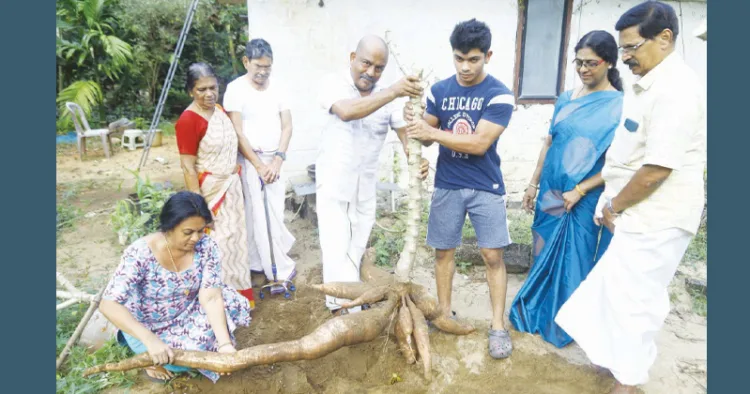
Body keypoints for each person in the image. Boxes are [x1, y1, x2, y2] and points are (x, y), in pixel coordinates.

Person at [554, 2, 706, 393]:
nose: (625, 57)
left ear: (665, 39)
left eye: (632, 48)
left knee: (636, 303)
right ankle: (618, 365)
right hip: (637, 214)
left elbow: (657, 169)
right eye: (622, 49)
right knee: (613, 293)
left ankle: (629, 382)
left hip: (659, 217)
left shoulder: (676, 89)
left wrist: (612, 205)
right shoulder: (648, 83)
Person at [404, 19, 515, 359]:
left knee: (492, 255)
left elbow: (479, 143)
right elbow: (419, 130)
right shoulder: (439, 91)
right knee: (443, 252)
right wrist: (416, 154)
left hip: (485, 185)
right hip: (448, 184)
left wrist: (431, 135)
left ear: (488, 56)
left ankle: (498, 325)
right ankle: (445, 314)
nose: (465, 67)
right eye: (459, 58)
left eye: (474, 59)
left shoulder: (499, 94)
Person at [509, 31, 624, 348]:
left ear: (609, 62)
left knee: (574, 258)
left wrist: (581, 189)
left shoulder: (619, 107)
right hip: (551, 191)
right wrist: (533, 182)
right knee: (542, 249)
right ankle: (533, 311)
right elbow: (550, 142)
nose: (584, 69)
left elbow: (618, 162)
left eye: (591, 63)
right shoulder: (564, 99)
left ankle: (563, 323)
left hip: (583, 199)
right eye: (579, 63)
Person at [316, 34, 428, 315]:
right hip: (334, 183)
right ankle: (339, 305)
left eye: (379, 68)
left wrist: (416, 159)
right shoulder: (333, 84)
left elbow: (406, 137)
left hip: (365, 185)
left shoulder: (386, 98)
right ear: (353, 58)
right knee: (335, 243)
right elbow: (346, 112)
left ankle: (352, 299)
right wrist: (392, 91)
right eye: (366, 63)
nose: (371, 72)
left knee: (357, 243)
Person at [99, 191, 252, 383]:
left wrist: (224, 344)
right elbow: (108, 304)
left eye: (201, 230)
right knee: (175, 358)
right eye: (188, 232)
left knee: (228, 299)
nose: (196, 238)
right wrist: (150, 340)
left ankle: (191, 353)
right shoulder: (140, 253)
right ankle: (148, 356)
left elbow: (211, 297)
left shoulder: (207, 246)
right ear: (169, 227)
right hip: (148, 325)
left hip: (187, 312)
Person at [174, 63, 255, 305]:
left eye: (213, 88)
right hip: (211, 192)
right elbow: (188, 167)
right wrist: (198, 208)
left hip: (231, 189)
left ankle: (239, 298)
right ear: (191, 91)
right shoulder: (188, 121)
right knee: (215, 245)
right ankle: (214, 301)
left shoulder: (219, 110)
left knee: (235, 243)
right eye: (201, 89)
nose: (209, 94)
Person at [224, 38, 297, 294]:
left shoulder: (280, 88)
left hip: (275, 160)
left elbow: (287, 126)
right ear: (246, 62)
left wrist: (277, 160)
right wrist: (258, 165)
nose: (263, 72)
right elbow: (238, 132)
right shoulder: (235, 89)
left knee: (274, 214)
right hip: (251, 161)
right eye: (258, 66)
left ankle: (270, 263)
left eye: (268, 66)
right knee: (257, 214)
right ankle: (271, 269)